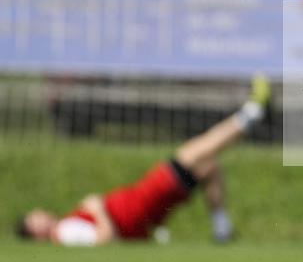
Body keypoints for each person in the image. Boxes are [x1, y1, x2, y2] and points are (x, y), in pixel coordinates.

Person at [16, 76, 271, 247]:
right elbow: (105, 238)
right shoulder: (64, 233)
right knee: (194, 152)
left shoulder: (66, 224)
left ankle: (222, 229)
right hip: (142, 203)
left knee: (209, 167)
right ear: (37, 234)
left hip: (142, 206)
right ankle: (252, 112)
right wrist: (98, 208)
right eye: (34, 221)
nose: (40, 216)